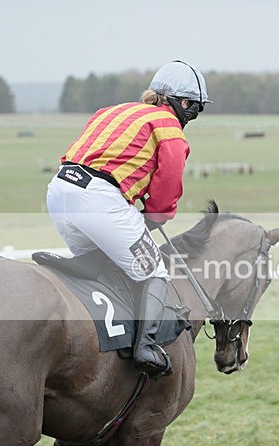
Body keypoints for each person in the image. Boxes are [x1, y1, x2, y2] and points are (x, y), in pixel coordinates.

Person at [46, 60, 211, 378]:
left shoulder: (111, 111)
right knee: (155, 273)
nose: (193, 116)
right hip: (99, 199)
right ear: (184, 103)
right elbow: (167, 184)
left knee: (101, 266)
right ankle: (145, 347)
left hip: (59, 190)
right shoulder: (170, 129)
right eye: (195, 109)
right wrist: (156, 215)